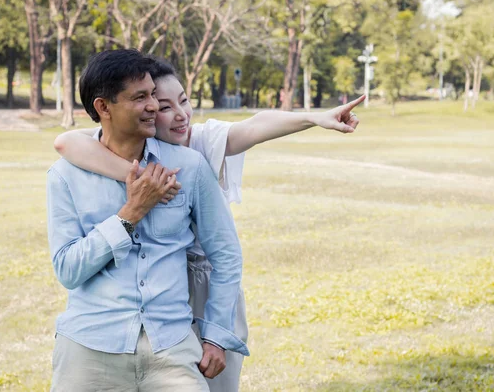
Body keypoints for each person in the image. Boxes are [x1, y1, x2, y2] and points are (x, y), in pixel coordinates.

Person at [54, 57, 364, 391]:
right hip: (110, 329)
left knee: (220, 379)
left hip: (192, 302)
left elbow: (257, 125)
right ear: (106, 107)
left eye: (182, 101)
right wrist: (138, 197)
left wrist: (314, 117)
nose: (174, 113)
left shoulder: (196, 152)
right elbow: (67, 142)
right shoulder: (77, 165)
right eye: (156, 103)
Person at [46, 49, 248, 392]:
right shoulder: (64, 177)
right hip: (90, 347)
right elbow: (68, 270)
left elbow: (226, 255)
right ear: (103, 107)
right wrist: (130, 214)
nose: (154, 105)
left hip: (172, 347)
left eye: (153, 94)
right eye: (140, 97)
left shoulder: (190, 167)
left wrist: (216, 335)